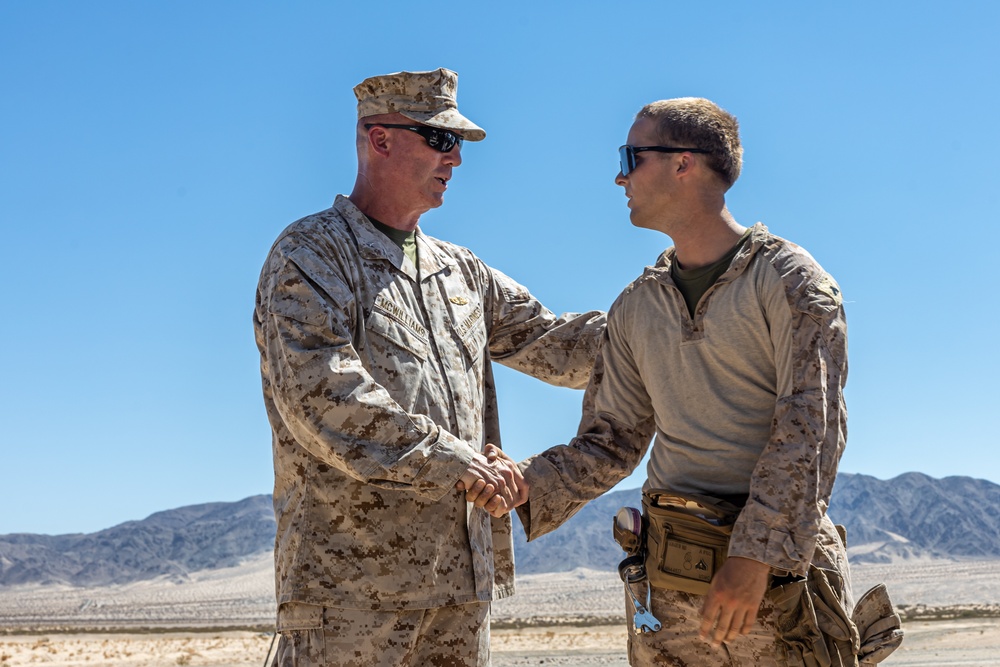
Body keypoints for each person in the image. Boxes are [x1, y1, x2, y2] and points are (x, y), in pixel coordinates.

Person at [253, 68, 602, 667]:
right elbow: (325, 397)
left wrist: (671, 310)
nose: (456, 159)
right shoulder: (312, 254)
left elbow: (558, 343)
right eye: (440, 140)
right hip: (352, 599)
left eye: (459, 143)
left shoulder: (461, 272)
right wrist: (461, 463)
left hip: (458, 592)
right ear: (378, 139)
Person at [509, 97, 859, 666]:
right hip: (668, 574)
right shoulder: (635, 306)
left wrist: (754, 559)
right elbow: (610, 440)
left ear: (683, 164)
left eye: (632, 156)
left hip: (771, 581)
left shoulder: (792, 282)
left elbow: (810, 430)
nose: (620, 175)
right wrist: (524, 483)